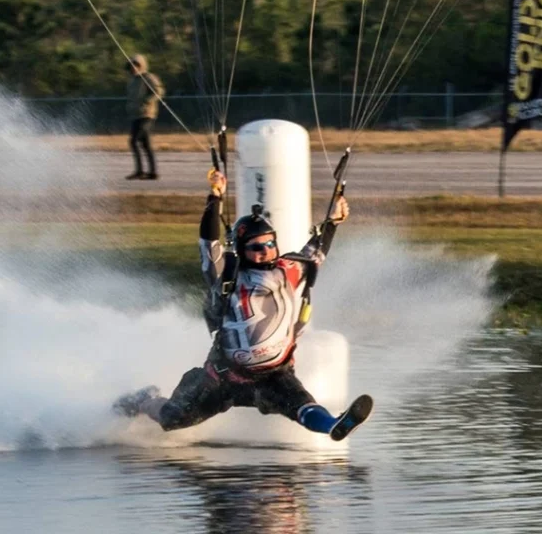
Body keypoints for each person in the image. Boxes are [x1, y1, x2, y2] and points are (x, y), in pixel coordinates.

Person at [112, 169, 373, 441]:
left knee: (301, 406)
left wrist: (332, 222)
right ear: (241, 249)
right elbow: (208, 244)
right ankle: (143, 401)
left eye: (270, 244)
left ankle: (334, 424)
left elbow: (316, 250)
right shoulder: (227, 276)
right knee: (171, 418)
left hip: (273, 375)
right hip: (222, 379)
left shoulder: (290, 268)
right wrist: (215, 198)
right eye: (256, 247)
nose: (265, 251)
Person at [125, 53, 164, 180]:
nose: (133, 68)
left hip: (146, 115)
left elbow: (158, 92)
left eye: (136, 65)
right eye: (131, 66)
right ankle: (152, 172)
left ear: (141, 65)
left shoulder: (148, 77)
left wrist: (147, 102)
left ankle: (140, 170)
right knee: (146, 144)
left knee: (134, 141)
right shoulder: (132, 82)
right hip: (135, 116)